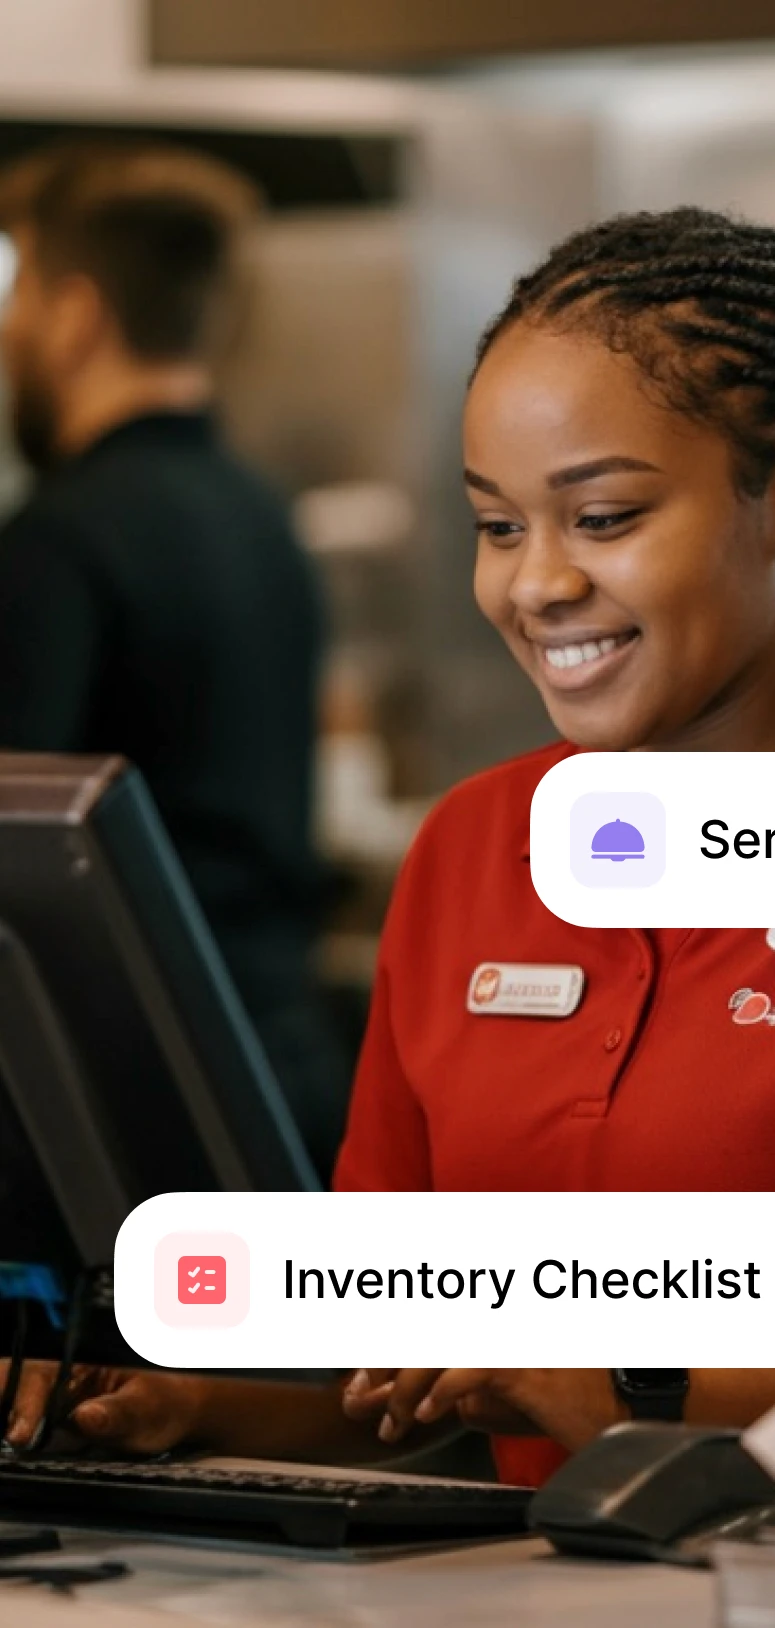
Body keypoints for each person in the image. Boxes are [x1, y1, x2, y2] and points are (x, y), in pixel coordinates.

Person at [2, 209, 775, 1476]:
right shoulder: (472, 853)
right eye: (500, 525)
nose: (536, 584)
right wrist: (189, 1406)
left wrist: (639, 1381)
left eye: (606, 517)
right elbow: (417, 1383)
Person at [0, 143, 347, 1171]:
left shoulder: (58, 540)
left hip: (131, 1101)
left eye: (18, 292)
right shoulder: (261, 514)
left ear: (74, 315)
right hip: (283, 1064)